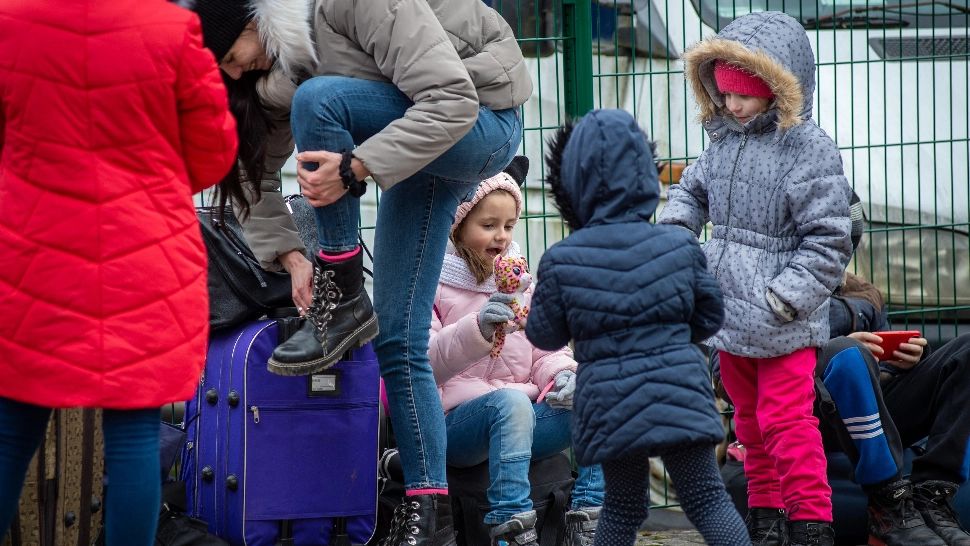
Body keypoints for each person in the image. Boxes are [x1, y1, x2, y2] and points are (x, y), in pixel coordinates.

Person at [185, 1, 532, 544]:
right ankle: (426, 510)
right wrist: (293, 256)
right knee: (398, 335)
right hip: (411, 134)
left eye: (232, 56)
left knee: (320, 98)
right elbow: (252, 177)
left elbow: (451, 100)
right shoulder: (275, 69)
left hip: (480, 119)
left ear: (257, 21)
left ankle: (341, 288)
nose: (233, 73)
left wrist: (355, 168)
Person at [0, 1, 238, 545]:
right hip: (145, 256)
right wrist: (153, 180)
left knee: (11, 433)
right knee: (132, 435)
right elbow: (213, 150)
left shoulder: (9, 23)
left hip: (33, 253)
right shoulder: (172, 30)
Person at [657, 11, 854, 546]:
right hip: (730, 312)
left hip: (780, 316)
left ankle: (812, 523)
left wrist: (787, 298)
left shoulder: (808, 149)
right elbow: (690, 192)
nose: (732, 105)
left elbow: (829, 238)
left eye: (743, 95)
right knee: (748, 423)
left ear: (777, 88)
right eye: (723, 95)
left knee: (787, 422)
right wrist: (677, 233)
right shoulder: (723, 140)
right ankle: (765, 520)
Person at [525, 109, 750, 546]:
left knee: (623, 508)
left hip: (610, 404)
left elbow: (544, 335)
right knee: (706, 499)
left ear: (570, 184)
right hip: (678, 391)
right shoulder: (679, 244)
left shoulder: (563, 258)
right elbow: (710, 316)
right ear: (648, 175)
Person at [429, 157, 605, 546]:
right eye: (488, 226)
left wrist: (564, 375)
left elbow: (547, 351)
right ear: (458, 226)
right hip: (459, 426)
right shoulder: (431, 285)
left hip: (523, 416)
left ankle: (589, 518)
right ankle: (510, 524)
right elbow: (426, 366)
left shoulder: (523, 283)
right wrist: (477, 328)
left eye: (509, 226)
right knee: (511, 403)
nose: (501, 237)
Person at [816, 264, 970, 546]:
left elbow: (882, 371)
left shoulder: (864, 293)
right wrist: (828, 353)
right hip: (815, 413)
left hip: (877, 412)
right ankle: (887, 504)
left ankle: (932, 498)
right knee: (847, 354)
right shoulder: (771, 287)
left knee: (967, 350)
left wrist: (908, 360)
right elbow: (726, 381)